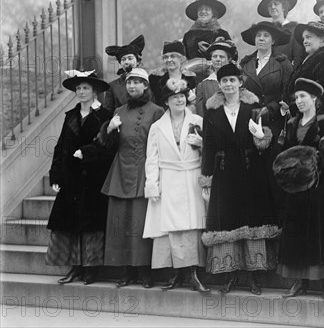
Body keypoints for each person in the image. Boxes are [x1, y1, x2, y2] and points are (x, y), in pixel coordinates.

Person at [201, 63, 280, 295]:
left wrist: (261, 136)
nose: (228, 85)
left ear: (239, 83)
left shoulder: (255, 108)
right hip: (224, 172)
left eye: (232, 81)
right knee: (228, 223)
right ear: (219, 84)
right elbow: (208, 146)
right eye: (224, 81)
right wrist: (207, 179)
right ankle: (231, 276)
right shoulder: (212, 112)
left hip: (251, 170)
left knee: (252, 221)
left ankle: (253, 277)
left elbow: (265, 141)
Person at [277, 78, 324, 302]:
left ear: (315, 99)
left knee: (321, 234)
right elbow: (283, 156)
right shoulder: (290, 124)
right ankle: (300, 282)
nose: (298, 101)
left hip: (321, 189)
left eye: (303, 97)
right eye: (296, 97)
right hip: (295, 191)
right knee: (296, 234)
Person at [46, 71, 114, 285]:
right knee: (70, 223)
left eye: (85, 88)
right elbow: (61, 147)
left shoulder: (105, 116)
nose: (82, 92)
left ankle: (91, 270)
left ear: (94, 91)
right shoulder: (70, 116)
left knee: (92, 225)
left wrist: (87, 152)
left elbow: (108, 146)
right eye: (79, 89)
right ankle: (75, 268)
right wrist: (56, 174)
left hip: (94, 178)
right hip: (72, 178)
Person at [143, 79, 210, 293]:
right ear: (167, 102)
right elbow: (151, 157)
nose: (179, 99)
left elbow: (211, 151)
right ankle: (174, 273)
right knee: (169, 226)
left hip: (191, 176)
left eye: (182, 95)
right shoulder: (157, 127)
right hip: (169, 177)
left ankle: (192, 273)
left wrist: (202, 145)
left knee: (190, 225)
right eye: (174, 97)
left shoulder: (198, 120)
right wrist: (152, 183)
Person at [100, 68, 164, 288]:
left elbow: (161, 145)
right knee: (121, 223)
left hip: (144, 172)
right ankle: (125, 271)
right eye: (129, 83)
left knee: (140, 223)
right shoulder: (118, 110)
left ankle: (144, 271)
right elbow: (107, 146)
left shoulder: (157, 111)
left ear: (146, 86)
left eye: (137, 82)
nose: (132, 86)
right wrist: (108, 129)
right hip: (120, 172)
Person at [240, 21, 293, 145]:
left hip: (274, 120)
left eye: (266, 35)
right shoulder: (245, 64)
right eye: (258, 35)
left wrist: (272, 108)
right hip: (250, 120)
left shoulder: (283, 63)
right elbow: (240, 91)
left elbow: (288, 93)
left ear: (273, 41)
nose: (261, 38)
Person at [284, 22, 324, 117]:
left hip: (314, 119)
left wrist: (293, 107)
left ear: (321, 38)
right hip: (299, 116)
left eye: (308, 37)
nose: (304, 41)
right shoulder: (306, 60)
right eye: (304, 38)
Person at [257, 0, 304, 66]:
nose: (273, 7)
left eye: (276, 4)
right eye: (270, 5)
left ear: (284, 7)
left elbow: (298, 60)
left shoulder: (295, 30)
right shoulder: (264, 32)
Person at [103, 34, 147, 114]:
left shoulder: (148, 82)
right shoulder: (113, 87)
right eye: (123, 59)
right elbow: (107, 113)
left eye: (130, 58)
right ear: (120, 63)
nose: (127, 62)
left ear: (138, 61)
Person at [195, 38, 238, 117]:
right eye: (215, 56)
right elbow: (201, 114)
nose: (217, 59)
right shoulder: (203, 85)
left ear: (229, 59)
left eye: (221, 57)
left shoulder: (238, 82)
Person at [149, 41, 197, 107]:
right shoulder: (155, 79)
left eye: (172, 56)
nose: (169, 60)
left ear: (181, 59)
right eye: (166, 57)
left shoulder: (190, 79)